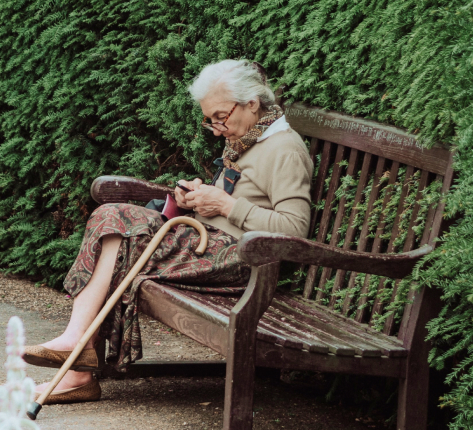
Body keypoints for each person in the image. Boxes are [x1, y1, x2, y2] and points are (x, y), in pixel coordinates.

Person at [23, 59, 314, 404]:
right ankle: (78, 357)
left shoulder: (284, 148)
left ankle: (77, 362)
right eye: (209, 119)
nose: (216, 127)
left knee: (117, 223)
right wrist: (196, 200)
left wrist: (224, 205)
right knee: (112, 222)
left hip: (243, 262)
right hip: (209, 245)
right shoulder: (247, 137)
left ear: (252, 103)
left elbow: (295, 230)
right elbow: (237, 200)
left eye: (221, 116)